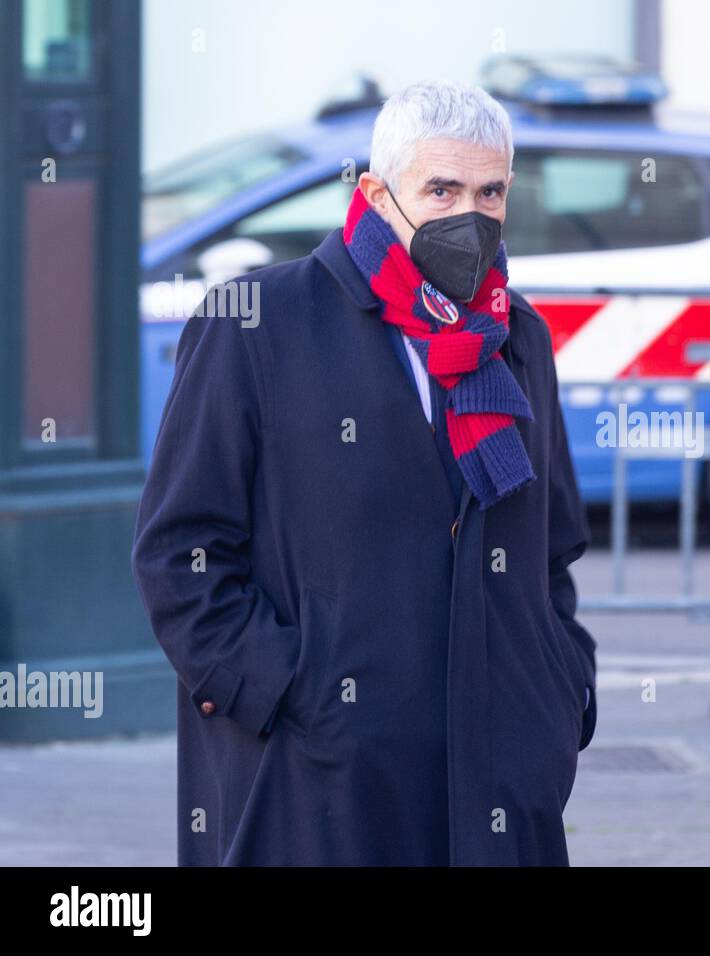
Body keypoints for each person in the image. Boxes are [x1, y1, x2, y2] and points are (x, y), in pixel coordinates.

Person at [131, 80, 597, 866]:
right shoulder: (257, 320)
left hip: (495, 776)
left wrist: (557, 696)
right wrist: (286, 693)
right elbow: (181, 553)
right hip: (315, 782)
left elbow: (552, 548)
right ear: (379, 196)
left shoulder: (516, 336)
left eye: (489, 193)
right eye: (441, 189)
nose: (468, 217)